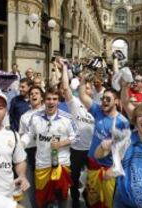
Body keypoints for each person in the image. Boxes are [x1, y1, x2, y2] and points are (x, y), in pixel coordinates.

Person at [95, 102, 142, 208]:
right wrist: (103, 147)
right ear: (135, 122)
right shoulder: (125, 141)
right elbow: (98, 155)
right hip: (122, 202)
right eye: (140, 116)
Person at [21, 87, 79, 208]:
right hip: (42, 165)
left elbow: (77, 137)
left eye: (54, 99)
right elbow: (29, 134)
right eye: (48, 99)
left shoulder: (67, 118)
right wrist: (21, 144)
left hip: (61, 164)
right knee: (43, 200)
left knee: (62, 197)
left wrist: (61, 143)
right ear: (44, 100)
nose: (51, 102)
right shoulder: (35, 117)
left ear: (58, 101)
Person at [79, 73, 130, 208]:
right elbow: (83, 96)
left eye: (108, 99)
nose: (104, 101)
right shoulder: (97, 111)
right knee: (92, 200)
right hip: (93, 165)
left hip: (109, 170)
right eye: (103, 99)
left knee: (109, 203)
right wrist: (83, 80)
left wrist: (114, 169)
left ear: (117, 101)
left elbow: (123, 153)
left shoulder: (122, 122)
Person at [61, 60, 95, 208]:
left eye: (89, 88)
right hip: (76, 150)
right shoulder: (75, 103)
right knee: (73, 180)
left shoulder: (98, 108)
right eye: (84, 87)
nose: (87, 90)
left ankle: (89, 202)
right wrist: (64, 67)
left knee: (92, 182)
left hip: (93, 152)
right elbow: (65, 87)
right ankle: (75, 202)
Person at [18, 86, 45, 208]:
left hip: (45, 151)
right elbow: (22, 135)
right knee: (31, 186)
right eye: (31, 94)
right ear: (29, 98)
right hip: (29, 152)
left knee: (45, 185)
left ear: (41, 96)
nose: (34, 95)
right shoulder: (24, 116)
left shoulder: (47, 112)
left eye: (37, 93)